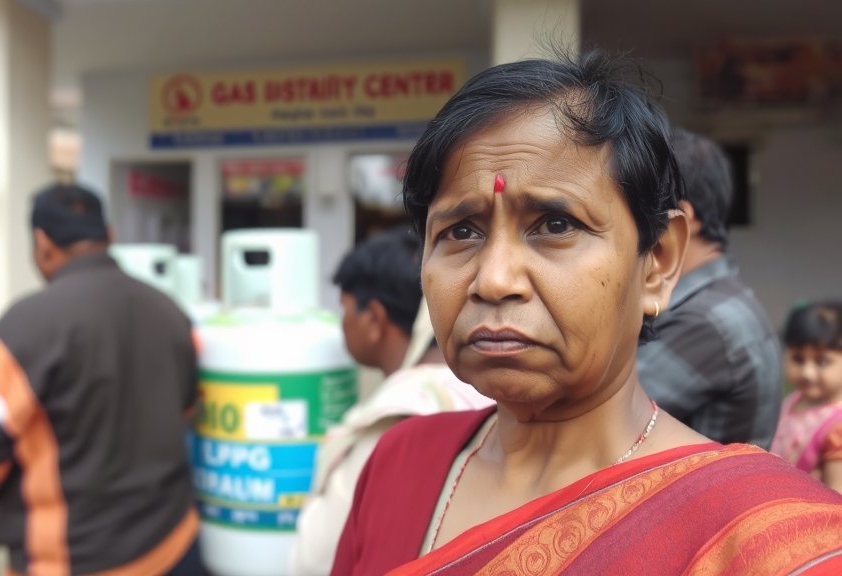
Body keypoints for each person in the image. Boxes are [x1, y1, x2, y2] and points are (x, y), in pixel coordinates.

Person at [330, 52, 842, 576]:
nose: (495, 279)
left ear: (658, 262)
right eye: (461, 232)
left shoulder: (765, 541)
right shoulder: (400, 464)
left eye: (555, 224)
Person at [0, 183, 203, 574]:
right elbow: (185, 409)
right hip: (175, 545)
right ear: (110, 236)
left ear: (42, 242)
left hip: (75, 560)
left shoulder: (21, 329)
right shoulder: (172, 312)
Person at [288, 226, 491, 576]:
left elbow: (313, 561)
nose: (342, 324)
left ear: (374, 320)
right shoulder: (478, 387)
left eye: (346, 310)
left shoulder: (396, 419)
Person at [637, 127, 782, 448]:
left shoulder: (706, 321)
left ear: (680, 221)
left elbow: (597, 419)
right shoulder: (720, 301)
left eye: (638, 210)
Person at [771, 300, 842, 492]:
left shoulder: (838, 427)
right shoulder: (795, 400)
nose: (807, 372)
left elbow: (837, 496)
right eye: (798, 359)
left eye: (822, 361)